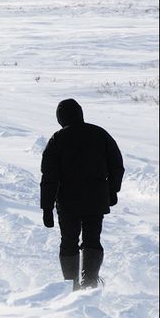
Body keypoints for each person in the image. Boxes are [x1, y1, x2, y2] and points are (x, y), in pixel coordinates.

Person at [40, 98, 124, 290]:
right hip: (96, 199)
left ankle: (71, 286)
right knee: (92, 239)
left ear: (60, 118)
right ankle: (90, 282)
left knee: (68, 241)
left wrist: (47, 207)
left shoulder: (57, 140)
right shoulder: (100, 134)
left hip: (68, 202)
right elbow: (117, 166)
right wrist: (112, 190)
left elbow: (49, 177)